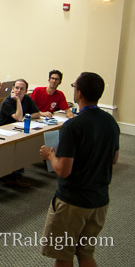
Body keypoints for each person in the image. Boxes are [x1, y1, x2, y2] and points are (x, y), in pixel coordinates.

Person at [39, 72, 119, 267]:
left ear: (79, 93)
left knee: (63, 255)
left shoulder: (73, 126)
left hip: (73, 202)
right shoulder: (110, 122)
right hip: (99, 200)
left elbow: (63, 170)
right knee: (85, 254)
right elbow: (114, 159)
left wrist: (50, 155)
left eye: (74, 86)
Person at [0, 78, 48, 188]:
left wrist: (26, 116)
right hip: (4, 132)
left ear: (26, 91)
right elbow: (18, 118)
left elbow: (37, 114)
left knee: (25, 143)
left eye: (21, 89)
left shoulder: (28, 99)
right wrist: (18, 101)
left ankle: (15, 174)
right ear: (12, 89)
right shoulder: (8, 101)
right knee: (19, 146)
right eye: (16, 88)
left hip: (16, 130)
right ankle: (10, 176)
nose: (18, 91)